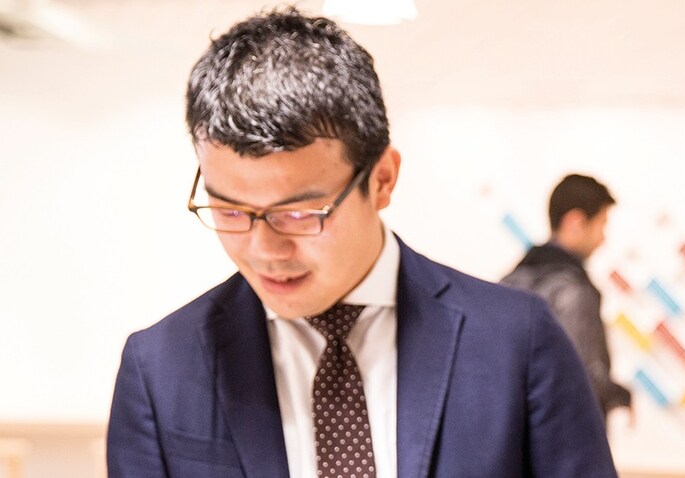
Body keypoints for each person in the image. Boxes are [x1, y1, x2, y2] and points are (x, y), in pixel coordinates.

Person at [105, 9, 615, 478]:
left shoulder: (517, 342)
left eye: (298, 213)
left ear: (383, 180)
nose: (263, 249)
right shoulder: (160, 370)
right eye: (230, 210)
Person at [501, 174, 632, 420]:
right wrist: (620, 395)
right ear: (575, 222)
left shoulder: (508, 282)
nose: (603, 239)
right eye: (601, 224)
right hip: (564, 437)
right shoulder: (573, 290)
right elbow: (584, 375)